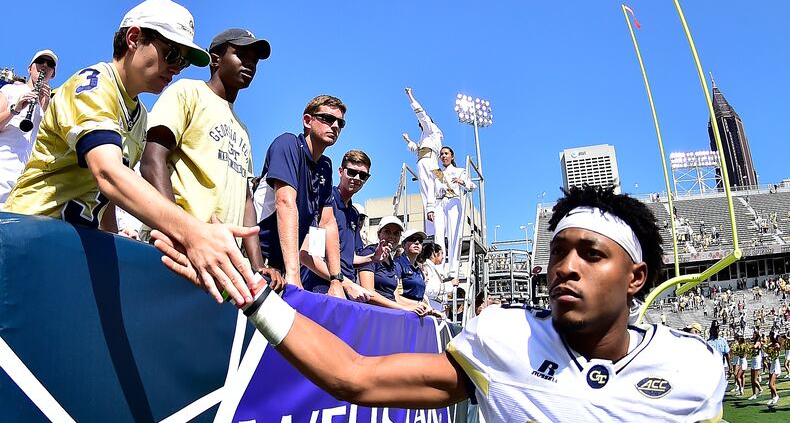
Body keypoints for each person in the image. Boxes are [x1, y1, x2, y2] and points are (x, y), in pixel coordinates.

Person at [155, 185, 726, 421]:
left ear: (636, 277)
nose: (566, 268)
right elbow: (354, 377)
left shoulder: (692, 368)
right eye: (559, 253)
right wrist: (253, 295)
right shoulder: (503, 340)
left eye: (592, 255)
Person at [3, 0, 259, 307]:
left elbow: (106, 199)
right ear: (134, 38)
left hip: (68, 251)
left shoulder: (139, 118)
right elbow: (109, 174)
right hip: (28, 240)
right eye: (172, 53)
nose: (177, 67)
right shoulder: (93, 84)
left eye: (185, 61)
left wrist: (116, 248)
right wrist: (193, 232)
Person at [138, 27, 283, 290]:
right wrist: (179, 233)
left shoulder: (242, 129)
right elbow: (152, 160)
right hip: (176, 249)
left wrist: (257, 264)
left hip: (222, 260)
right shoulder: (188, 93)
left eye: (255, 59)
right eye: (240, 54)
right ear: (215, 58)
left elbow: (246, 200)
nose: (249, 63)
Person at [252, 95, 345, 292]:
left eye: (340, 122)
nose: (335, 126)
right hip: (256, 260)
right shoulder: (288, 144)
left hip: (283, 270)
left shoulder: (325, 166)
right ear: (307, 121)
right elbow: (285, 202)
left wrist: (336, 281)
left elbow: (327, 223)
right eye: (328, 119)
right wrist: (294, 275)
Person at [300, 149, 379, 301]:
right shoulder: (325, 203)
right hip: (322, 289)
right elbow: (310, 256)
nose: (357, 178)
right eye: (351, 172)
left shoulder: (354, 214)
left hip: (346, 291)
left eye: (362, 175)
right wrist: (345, 283)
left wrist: (372, 258)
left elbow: (349, 257)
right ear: (341, 171)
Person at [0, 50, 57, 203]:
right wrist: (15, 109)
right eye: (40, 61)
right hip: (3, 168)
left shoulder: (53, 106)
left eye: (50, 64)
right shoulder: (11, 90)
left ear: (53, 75)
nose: (44, 65)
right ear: (29, 68)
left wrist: (46, 110)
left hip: (28, 181)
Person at [356, 216, 428, 315]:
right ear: (379, 234)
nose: (392, 236)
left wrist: (419, 306)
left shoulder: (393, 263)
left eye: (396, 233)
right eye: (387, 231)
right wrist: (403, 308)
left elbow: (395, 296)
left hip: (391, 315)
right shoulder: (369, 253)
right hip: (373, 315)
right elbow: (368, 292)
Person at [401, 87, 442, 229]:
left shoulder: (431, 130)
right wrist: (408, 140)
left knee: (429, 184)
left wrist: (410, 96)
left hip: (428, 161)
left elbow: (421, 114)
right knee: (437, 184)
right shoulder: (426, 136)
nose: (421, 125)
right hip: (428, 161)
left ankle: (431, 209)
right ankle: (432, 211)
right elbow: (417, 148)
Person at [433, 146, 476, 277]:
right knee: (438, 235)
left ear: (452, 156)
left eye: (446, 153)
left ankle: (453, 268)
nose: (444, 156)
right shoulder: (437, 173)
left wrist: (461, 181)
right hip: (440, 203)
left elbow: (472, 186)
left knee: (453, 235)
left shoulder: (460, 171)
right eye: (441, 154)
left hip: (453, 201)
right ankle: (439, 267)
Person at [422, 243, 459, 311]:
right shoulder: (427, 269)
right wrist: (450, 284)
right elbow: (429, 290)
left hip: (435, 307)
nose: (443, 257)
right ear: (434, 254)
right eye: (441, 253)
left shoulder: (431, 268)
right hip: (431, 307)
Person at [763, 332, 781, 406]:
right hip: (772, 362)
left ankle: (776, 396)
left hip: (776, 363)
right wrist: (764, 345)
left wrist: (772, 349)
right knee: (772, 383)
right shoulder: (771, 344)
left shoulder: (776, 344)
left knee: (770, 384)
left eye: (770, 336)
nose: (769, 337)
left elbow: (778, 347)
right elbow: (766, 348)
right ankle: (772, 398)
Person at [748, 331, 763, 400]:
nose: (753, 335)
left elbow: (755, 346)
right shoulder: (755, 341)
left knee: (754, 379)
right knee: (752, 379)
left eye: (754, 334)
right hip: (754, 359)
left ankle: (760, 389)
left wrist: (748, 346)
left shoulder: (758, 341)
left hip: (757, 360)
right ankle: (754, 394)